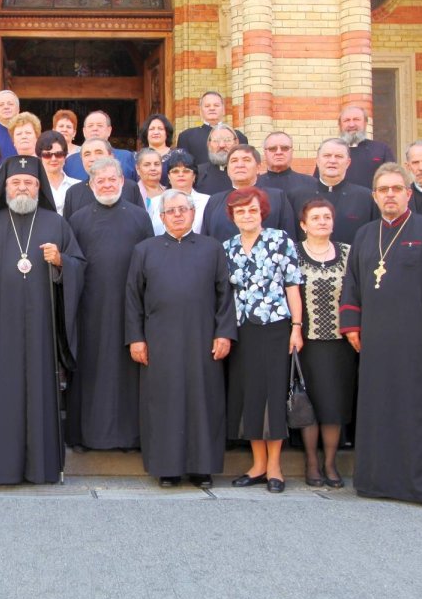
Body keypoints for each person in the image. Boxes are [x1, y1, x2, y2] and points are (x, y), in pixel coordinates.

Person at [339, 162, 422, 507]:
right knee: (380, 408)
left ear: (408, 194)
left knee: (421, 409)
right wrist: (351, 324)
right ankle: (377, 481)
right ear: (375, 196)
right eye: (383, 190)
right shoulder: (366, 234)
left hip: (421, 338)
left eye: (396, 189)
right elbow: (352, 283)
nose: (390, 195)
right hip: (376, 339)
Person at [0, 155, 85, 485]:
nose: (23, 187)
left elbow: (80, 265)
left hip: (40, 327)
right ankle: (0, 468)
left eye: (30, 183)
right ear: (5, 187)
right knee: (2, 392)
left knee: (40, 390)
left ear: (39, 188)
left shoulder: (56, 223)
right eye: (16, 183)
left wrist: (62, 262)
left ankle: (42, 467)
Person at [125, 190, 236, 487]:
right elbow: (133, 298)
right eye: (171, 211)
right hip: (159, 340)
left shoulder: (212, 249)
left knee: (204, 401)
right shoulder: (144, 250)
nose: (177, 215)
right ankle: (168, 468)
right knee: (164, 402)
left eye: (183, 209)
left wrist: (224, 333)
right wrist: (136, 338)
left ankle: (202, 468)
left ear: (192, 213)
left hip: (203, 338)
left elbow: (225, 295)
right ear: (161, 217)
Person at [222, 187, 304, 494]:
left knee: (272, 394)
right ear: (232, 216)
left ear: (262, 213)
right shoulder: (227, 247)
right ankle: (257, 465)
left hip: (275, 327)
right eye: (240, 211)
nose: (247, 215)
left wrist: (297, 327)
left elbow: (293, 285)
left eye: (252, 210)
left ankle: (275, 467)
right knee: (249, 395)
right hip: (242, 330)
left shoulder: (280, 240)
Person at [68, 157, 154, 452]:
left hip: (130, 307)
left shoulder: (139, 217)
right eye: (100, 180)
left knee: (128, 372)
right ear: (91, 185)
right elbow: (72, 263)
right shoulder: (78, 219)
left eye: (111, 179)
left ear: (122, 182)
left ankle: (129, 437)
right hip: (90, 308)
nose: (106, 185)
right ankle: (87, 436)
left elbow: (149, 264)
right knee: (91, 370)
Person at [294, 198, 356, 488]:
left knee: (333, 405)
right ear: (304, 224)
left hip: (339, 343)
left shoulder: (347, 253)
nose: (322, 222)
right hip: (306, 343)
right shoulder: (293, 254)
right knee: (309, 404)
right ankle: (311, 464)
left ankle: (331, 464)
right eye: (316, 218)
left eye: (327, 217)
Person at [289, 138, 379, 245]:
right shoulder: (296, 197)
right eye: (327, 156)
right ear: (317, 160)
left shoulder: (366, 198)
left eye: (339, 156)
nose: (332, 161)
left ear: (348, 162)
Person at [202, 145, 296, 239]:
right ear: (228, 169)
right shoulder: (214, 201)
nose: (240, 165)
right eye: (234, 161)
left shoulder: (277, 198)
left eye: (246, 160)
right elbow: (206, 242)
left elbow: (289, 239)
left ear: (258, 167)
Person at [63, 139, 145, 218]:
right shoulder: (73, 193)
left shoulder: (130, 188)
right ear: (81, 160)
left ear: (111, 156)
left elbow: (141, 222)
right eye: (87, 154)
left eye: (99, 153)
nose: (93, 159)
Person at [326, 105, 395, 190]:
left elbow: (393, 180)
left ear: (365, 123)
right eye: (346, 120)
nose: (351, 124)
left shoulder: (381, 149)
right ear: (340, 125)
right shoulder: (330, 152)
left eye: (356, 119)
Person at [176, 91, 247, 166]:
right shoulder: (187, 136)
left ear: (223, 110)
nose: (212, 108)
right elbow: (183, 167)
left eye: (216, 105)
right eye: (207, 106)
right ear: (200, 111)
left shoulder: (238, 136)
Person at [63, 110, 137, 181]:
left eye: (100, 125)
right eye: (90, 126)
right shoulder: (70, 161)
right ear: (84, 132)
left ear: (109, 130)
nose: (95, 129)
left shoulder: (126, 157)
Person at [148, 149, 208, 235]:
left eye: (186, 171)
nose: (181, 174)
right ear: (168, 176)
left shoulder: (206, 201)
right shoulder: (155, 203)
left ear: (194, 176)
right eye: (175, 171)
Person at [38, 130, 78, 214]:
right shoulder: (34, 187)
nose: (53, 159)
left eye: (58, 154)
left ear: (65, 156)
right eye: (47, 155)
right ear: (40, 157)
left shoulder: (77, 186)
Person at [195, 125, 238, 195]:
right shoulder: (197, 173)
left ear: (236, 143)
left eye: (227, 140)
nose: (222, 145)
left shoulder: (245, 171)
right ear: (209, 145)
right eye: (216, 141)